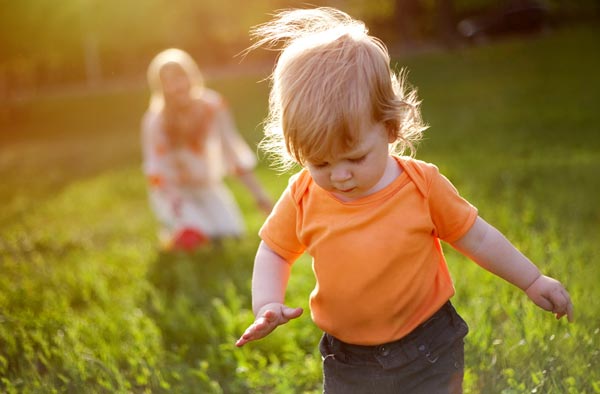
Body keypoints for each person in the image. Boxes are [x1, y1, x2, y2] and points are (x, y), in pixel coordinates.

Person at [234, 7, 574, 393]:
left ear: (390, 127)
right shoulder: (303, 194)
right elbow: (275, 251)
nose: (340, 175)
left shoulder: (421, 185)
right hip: (349, 360)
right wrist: (266, 303)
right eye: (320, 162)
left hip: (428, 345)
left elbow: (476, 237)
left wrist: (531, 279)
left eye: (356, 158)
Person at [141, 48, 273, 251]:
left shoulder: (214, 106)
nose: (177, 86)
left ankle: (191, 225)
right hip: (174, 193)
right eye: (168, 81)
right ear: (160, 87)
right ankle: (172, 230)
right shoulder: (155, 121)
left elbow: (232, 152)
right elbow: (156, 169)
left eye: (180, 77)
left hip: (207, 186)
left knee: (230, 234)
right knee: (198, 237)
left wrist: (259, 195)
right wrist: (173, 200)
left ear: (192, 75)